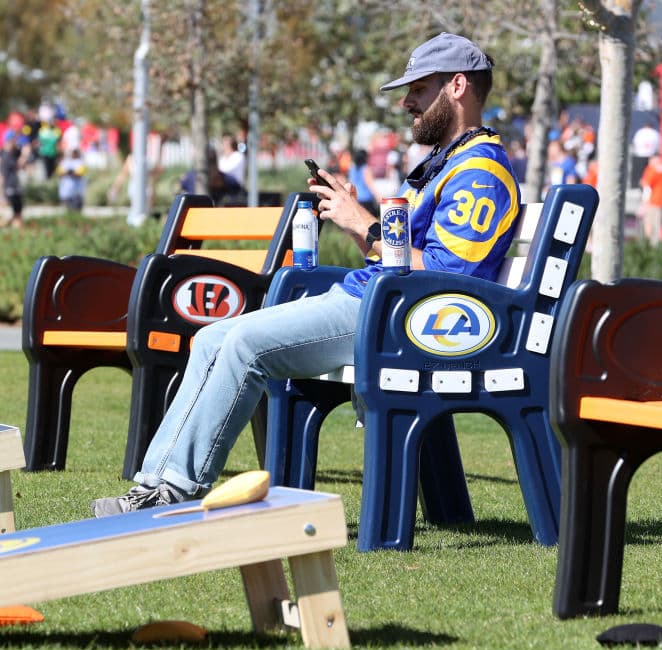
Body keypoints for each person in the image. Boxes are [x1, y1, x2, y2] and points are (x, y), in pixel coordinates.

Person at [92, 32, 521, 516]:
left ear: (458, 86)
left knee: (244, 345)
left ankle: (171, 493)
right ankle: (154, 485)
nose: (407, 103)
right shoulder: (447, 163)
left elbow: (449, 277)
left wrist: (365, 223)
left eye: (419, 89)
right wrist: (354, 220)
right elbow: (398, 258)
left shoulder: (480, 173)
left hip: (404, 319)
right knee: (212, 338)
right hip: (379, 303)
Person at [639, 155, 662, 244]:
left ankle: (651, 247)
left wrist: (644, 203)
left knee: (653, 229)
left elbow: (646, 185)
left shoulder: (653, 169)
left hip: (656, 202)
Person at [1, 131, 28, 227]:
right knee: (11, 210)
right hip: (9, 185)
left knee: (18, 208)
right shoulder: (6, 155)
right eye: (14, 140)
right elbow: (18, 165)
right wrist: (24, 155)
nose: (16, 143)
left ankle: (15, 224)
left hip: (14, 184)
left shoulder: (12, 153)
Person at [348, 148, 381, 215]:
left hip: (356, 199)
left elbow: (351, 183)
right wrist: (379, 198)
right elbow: (370, 184)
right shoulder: (366, 169)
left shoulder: (352, 168)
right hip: (366, 200)